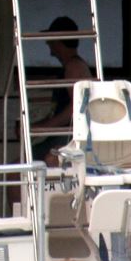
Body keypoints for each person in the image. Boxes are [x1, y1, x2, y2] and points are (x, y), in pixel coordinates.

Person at [36, 15, 93, 157]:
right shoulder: (70, 67)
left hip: (68, 138)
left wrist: (43, 129)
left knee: (16, 169)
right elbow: (57, 111)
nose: (47, 43)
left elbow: (76, 109)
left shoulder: (74, 67)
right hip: (61, 136)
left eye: (50, 38)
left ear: (58, 40)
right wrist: (35, 128)